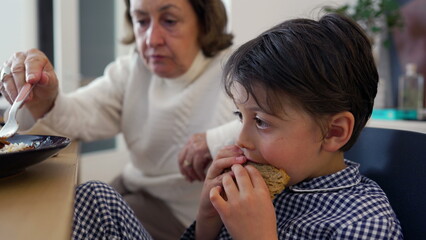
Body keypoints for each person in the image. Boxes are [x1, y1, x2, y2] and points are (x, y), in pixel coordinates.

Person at [71, 13, 403, 239]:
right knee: (96, 198)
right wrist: (207, 222)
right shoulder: (265, 184)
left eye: (261, 121)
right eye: (239, 118)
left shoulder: (364, 223)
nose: (242, 139)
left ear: (333, 132)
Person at [0, 0, 240, 239]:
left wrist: (213, 141)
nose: (151, 40)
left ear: (204, 22)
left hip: (182, 217)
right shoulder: (133, 70)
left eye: (169, 21)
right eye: (141, 21)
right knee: (51, 211)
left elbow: (273, 124)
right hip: (133, 187)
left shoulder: (234, 73)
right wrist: (46, 96)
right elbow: (79, 115)